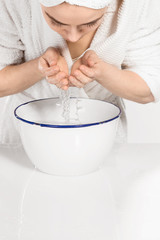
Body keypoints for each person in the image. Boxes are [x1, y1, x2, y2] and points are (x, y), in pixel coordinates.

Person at [0, 0, 160, 146]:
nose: (73, 37)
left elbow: (150, 88)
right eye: (55, 21)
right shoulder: (15, 4)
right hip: (24, 141)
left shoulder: (138, 5)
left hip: (102, 142)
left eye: (91, 23)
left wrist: (102, 72)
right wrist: (39, 68)